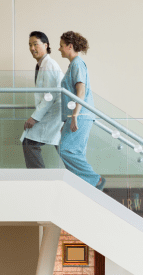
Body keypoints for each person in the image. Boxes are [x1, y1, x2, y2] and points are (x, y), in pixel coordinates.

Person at [58, 31, 105, 190]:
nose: (59, 49)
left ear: (69, 46)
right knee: (76, 152)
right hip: (78, 115)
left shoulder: (77, 64)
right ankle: (84, 185)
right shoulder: (74, 64)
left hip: (81, 115)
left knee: (66, 150)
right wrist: (67, 119)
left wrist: (74, 116)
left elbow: (81, 92)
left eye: (61, 46)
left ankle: (94, 180)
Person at [21, 31, 64, 168]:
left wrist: (34, 117)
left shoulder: (49, 64)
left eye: (35, 44)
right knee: (62, 147)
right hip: (53, 112)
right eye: (29, 45)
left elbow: (49, 96)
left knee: (30, 142)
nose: (32, 48)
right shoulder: (42, 65)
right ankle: (89, 179)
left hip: (54, 111)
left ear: (46, 45)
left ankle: (40, 179)